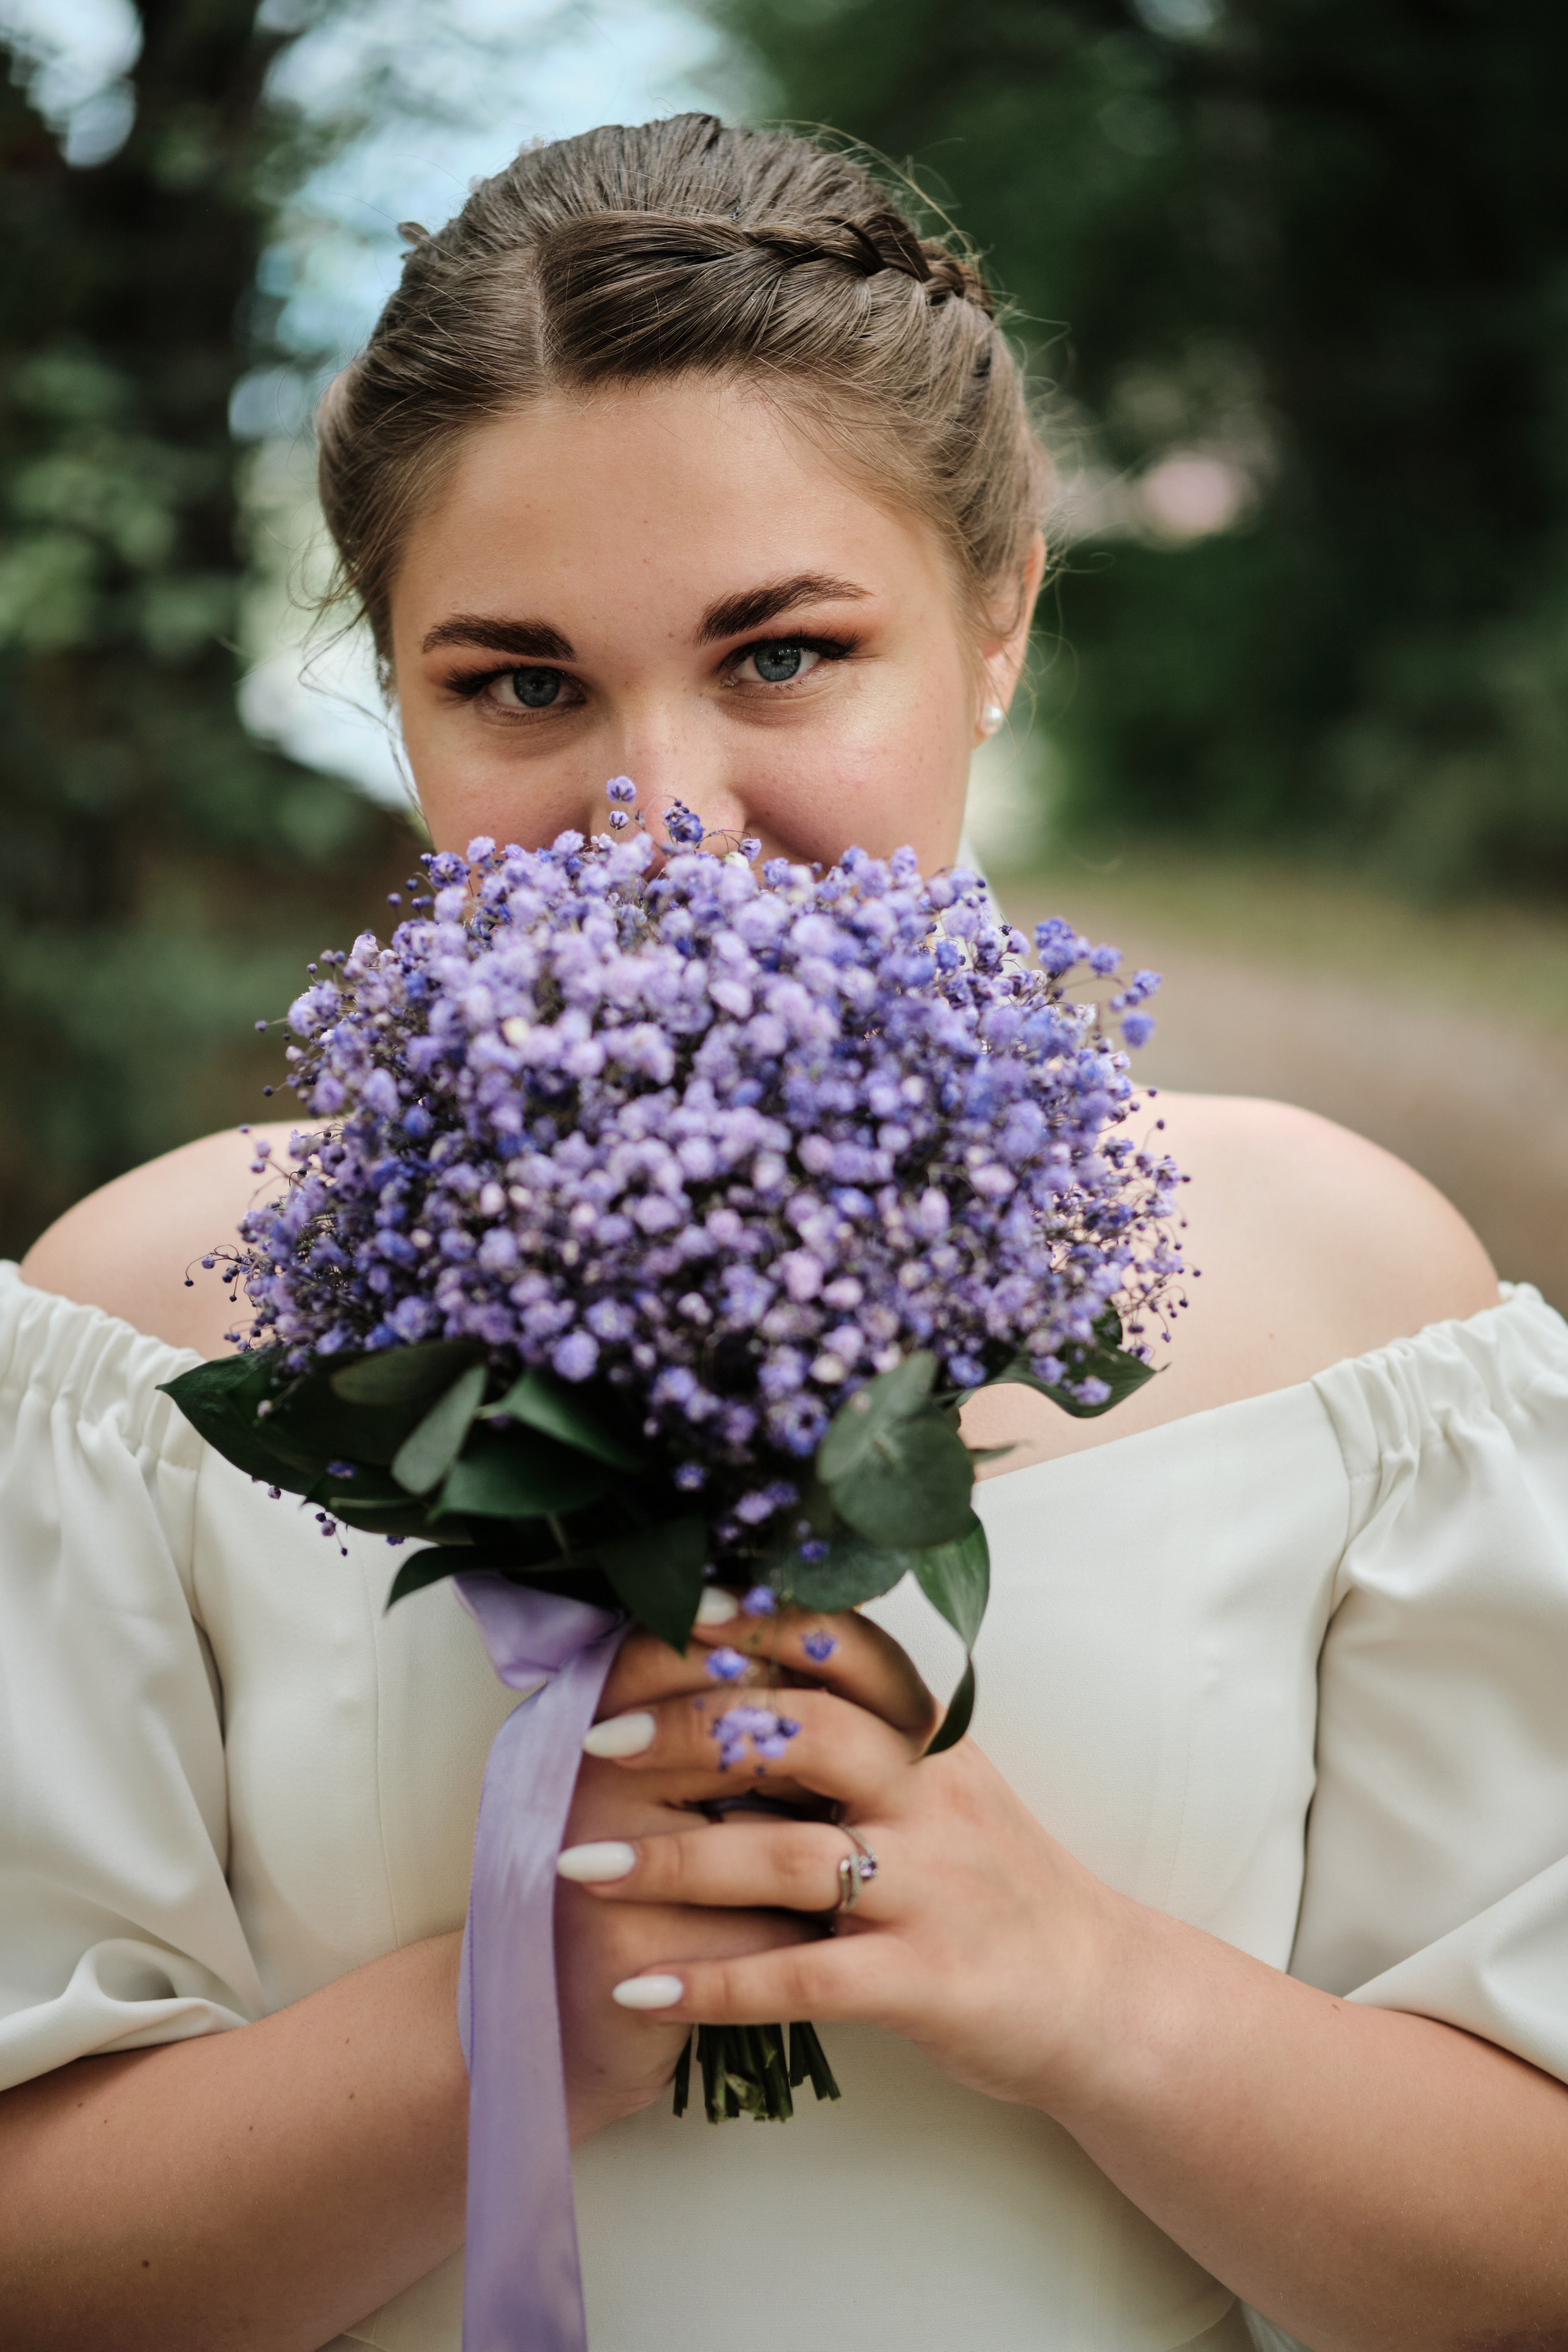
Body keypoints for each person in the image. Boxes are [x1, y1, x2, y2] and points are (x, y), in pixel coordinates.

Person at [4, 111, 1567, 2352]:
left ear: (998, 610)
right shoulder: (138, 1338)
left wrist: (1085, 1988)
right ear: (395, 692)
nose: (666, 826)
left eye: (783, 655)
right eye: (521, 684)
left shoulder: (1354, 1303)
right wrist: (501, 2027)